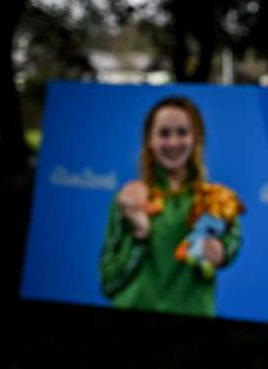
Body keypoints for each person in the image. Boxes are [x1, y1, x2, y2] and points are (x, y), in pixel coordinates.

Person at [99, 96, 243, 317]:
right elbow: (108, 283)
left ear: (197, 138)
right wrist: (140, 235)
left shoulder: (217, 201)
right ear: (149, 140)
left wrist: (220, 252)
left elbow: (232, 242)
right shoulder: (129, 199)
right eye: (164, 133)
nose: (174, 142)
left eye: (182, 132)